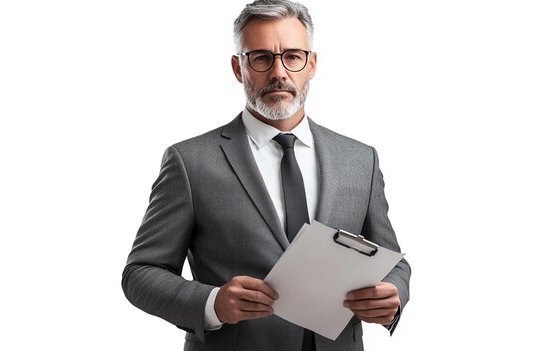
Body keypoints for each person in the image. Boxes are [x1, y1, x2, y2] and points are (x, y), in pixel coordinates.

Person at [122, 0, 411, 350]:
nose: (279, 73)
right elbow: (141, 273)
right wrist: (213, 303)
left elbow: (392, 259)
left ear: (312, 64)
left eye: (292, 56)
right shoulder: (189, 161)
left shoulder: (360, 159)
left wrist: (392, 294)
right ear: (238, 67)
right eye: (261, 58)